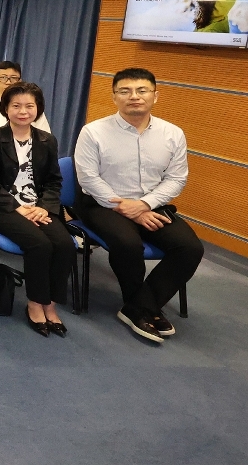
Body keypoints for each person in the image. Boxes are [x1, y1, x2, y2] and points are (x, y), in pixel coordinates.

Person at [74, 67, 203, 344]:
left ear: (155, 96)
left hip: (151, 204)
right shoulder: (93, 132)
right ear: (114, 97)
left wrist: (144, 204)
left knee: (190, 248)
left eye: (142, 90)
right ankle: (144, 308)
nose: (134, 96)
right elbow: (88, 179)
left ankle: (140, 306)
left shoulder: (172, 133)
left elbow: (177, 178)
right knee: (127, 243)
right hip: (102, 204)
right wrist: (126, 208)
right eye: (125, 91)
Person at [0, 82, 74, 338]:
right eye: (16, 105)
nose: (23, 111)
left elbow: (54, 181)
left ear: (38, 109)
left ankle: (50, 304)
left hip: (37, 206)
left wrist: (44, 207)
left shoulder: (46, 140)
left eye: (29, 106)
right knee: (39, 244)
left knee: (65, 244)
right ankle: (35, 303)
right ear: (6, 108)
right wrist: (17, 208)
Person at [0, 61, 52, 150]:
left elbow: (45, 139)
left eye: (13, 78)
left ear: (20, 81)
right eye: (3, 78)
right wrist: (0, 150)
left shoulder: (32, 110)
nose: (8, 82)